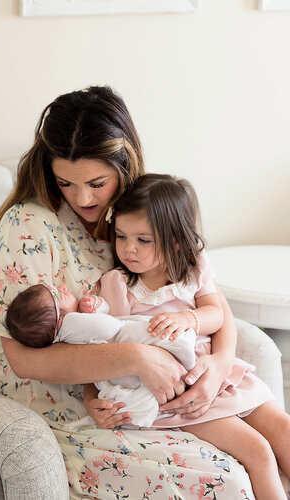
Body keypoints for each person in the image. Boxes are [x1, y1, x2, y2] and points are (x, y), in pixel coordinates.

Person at [0, 85, 286, 499]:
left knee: (277, 441)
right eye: (66, 182)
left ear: (124, 162)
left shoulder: (134, 217)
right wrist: (136, 357)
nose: (83, 198)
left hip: (146, 389)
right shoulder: (26, 227)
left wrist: (221, 364)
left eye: (97, 182)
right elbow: (23, 359)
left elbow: (209, 297)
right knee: (231, 478)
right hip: (63, 411)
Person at [84, 173, 290, 500]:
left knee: (284, 429)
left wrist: (188, 318)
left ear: (176, 241)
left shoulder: (192, 269)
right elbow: (97, 350)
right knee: (258, 451)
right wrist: (90, 398)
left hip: (217, 376)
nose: (128, 249)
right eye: (121, 236)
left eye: (143, 240)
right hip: (179, 399)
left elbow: (216, 314)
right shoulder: (118, 286)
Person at [3, 281, 198, 427]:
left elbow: (103, 318)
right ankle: (182, 347)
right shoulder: (71, 324)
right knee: (141, 332)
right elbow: (109, 327)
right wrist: (92, 315)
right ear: (60, 319)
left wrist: (94, 306)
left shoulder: (68, 331)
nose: (63, 288)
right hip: (130, 356)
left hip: (126, 372)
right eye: (58, 294)